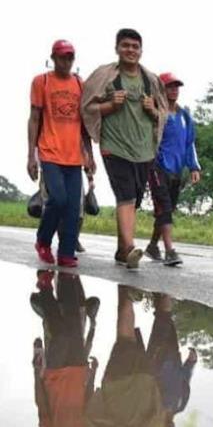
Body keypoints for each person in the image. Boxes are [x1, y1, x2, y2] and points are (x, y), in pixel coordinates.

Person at [81, 28, 167, 270]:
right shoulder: (104, 76)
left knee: (134, 199)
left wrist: (153, 110)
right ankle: (129, 249)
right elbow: (86, 109)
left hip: (144, 150)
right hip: (114, 147)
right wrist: (109, 105)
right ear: (117, 48)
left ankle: (121, 251)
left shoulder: (151, 80)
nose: (130, 50)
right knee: (126, 196)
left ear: (141, 51)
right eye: (126, 45)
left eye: (135, 46)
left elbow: (163, 113)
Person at [28, 39, 96, 268]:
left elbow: (85, 124)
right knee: (58, 199)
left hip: (74, 155)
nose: (66, 61)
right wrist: (31, 155)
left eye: (70, 57)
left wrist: (90, 155)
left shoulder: (79, 83)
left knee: (73, 207)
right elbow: (35, 118)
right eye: (62, 56)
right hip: (49, 152)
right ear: (53, 58)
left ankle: (66, 252)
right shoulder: (42, 82)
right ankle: (43, 241)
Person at [86, 285, 165, 426]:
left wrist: (154, 387)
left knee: (127, 339)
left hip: (144, 387)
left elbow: (159, 417)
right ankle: (124, 288)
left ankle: (128, 291)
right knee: (125, 338)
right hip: (117, 388)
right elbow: (91, 416)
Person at [30, 270, 100, 426]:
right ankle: (65, 277)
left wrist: (36, 371)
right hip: (78, 370)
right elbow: (88, 403)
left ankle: (45, 286)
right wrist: (93, 374)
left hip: (55, 374)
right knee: (74, 322)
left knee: (60, 334)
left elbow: (42, 405)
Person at [145, 72, 201, 266]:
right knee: (165, 208)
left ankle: (153, 245)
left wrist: (193, 167)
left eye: (176, 87)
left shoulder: (184, 115)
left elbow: (189, 143)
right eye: (169, 86)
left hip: (176, 171)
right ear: (161, 89)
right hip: (157, 166)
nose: (174, 90)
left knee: (166, 211)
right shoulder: (155, 112)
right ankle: (170, 251)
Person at [146, 293, 198, 424]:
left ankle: (165, 289)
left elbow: (146, 383)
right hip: (174, 356)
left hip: (157, 356)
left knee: (163, 318)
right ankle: (160, 292)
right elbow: (185, 382)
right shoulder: (180, 406)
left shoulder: (152, 408)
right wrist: (191, 362)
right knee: (165, 319)